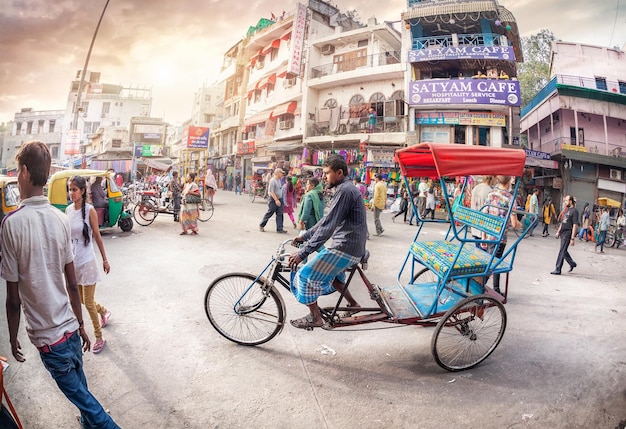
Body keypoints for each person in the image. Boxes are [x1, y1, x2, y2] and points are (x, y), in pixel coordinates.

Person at [1, 141, 120, 428]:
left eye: (18, 170)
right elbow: (71, 281)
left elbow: (14, 298)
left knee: (88, 403)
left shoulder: (12, 224)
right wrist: (79, 324)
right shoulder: (60, 217)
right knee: (84, 398)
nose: (18, 175)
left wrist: (13, 335)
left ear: (25, 172)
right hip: (68, 328)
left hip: (50, 340)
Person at [288, 154, 368, 329]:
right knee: (333, 278)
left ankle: (315, 317)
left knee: (305, 275)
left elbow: (327, 228)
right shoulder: (344, 189)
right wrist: (305, 235)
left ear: (339, 173)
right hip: (350, 245)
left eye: (327, 173)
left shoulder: (345, 191)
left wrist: (303, 253)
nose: (324, 177)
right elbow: (326, 221)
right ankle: (353, 304)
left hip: (346, 247)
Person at [66, 176, 112, 354]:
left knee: (88, 303)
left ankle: (99, 337)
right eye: (70, 189)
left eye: (75, 190)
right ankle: (104, 311)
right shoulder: (68, 211)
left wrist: (105, 260)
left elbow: (97, 237)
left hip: (87, 261)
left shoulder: (90, 211)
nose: (71, 193)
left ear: (82, 191)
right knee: (82, 300)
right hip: (73, 261)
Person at [480, 175, 520, 294]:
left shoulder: (491, 194)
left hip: (489, 234)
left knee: (493, 262)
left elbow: (485, 215)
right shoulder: (510, 198)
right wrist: (519, 224)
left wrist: (483, 236)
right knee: (492, 264)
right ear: (509, 182)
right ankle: (477, 287)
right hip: (499, 237)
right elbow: (514, 224)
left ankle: (496, 288)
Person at [551, 195, 579, 275]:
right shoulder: (567, 210)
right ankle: (572, 263)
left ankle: (558, 269)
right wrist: (558, 231)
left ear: (571, 201)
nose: (565, 202)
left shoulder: (574, 211)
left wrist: (572, 238)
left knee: (562, 251)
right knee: (564, 250)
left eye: (566, 200)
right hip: (563, 232)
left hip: (568, 233)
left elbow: (575, 225)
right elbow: (563, 222)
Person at [259, 168, 287, 233]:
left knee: (280, 214)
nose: (282, 174)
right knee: (270, 213)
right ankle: (262, 225)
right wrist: (276, 200)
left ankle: (279, 228)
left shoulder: (279, 180)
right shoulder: (273, 181)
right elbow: (272, 192)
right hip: (273, 199)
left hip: (280, 199)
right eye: (281, 173)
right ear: (277, 173)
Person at [471, 176, 495, 246]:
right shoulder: (490, 191)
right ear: (492, 178)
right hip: (483, 226)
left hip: (475, 222)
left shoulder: (476, 188)